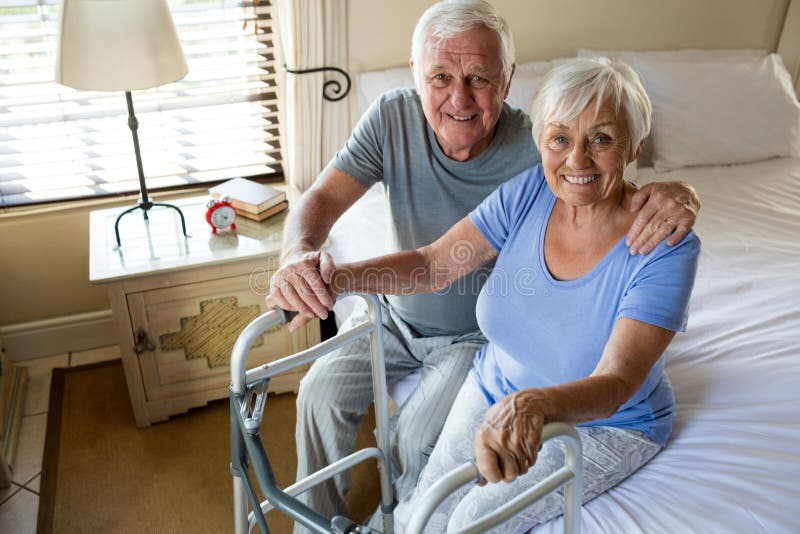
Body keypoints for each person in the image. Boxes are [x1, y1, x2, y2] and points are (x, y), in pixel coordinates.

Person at [269, 0, 700, 528]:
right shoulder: (532, 189)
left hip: (596, 415)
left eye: (603, 139)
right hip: (484, 372)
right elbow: (432, 265)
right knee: (417, 508)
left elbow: (616, 383)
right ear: (545, 141)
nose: (577, 161)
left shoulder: (660, 239)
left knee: (465, 518)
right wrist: (333, 276)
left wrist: (534, 404)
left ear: (633, 146)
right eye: (561, 139)